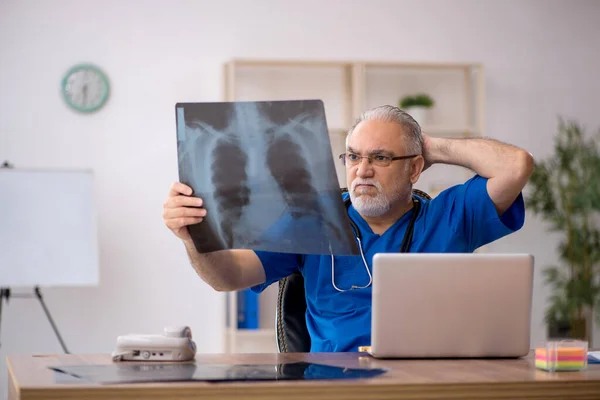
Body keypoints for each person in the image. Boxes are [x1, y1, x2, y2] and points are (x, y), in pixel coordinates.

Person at [163, 105, 534, 353]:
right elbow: (226, 276)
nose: (363, 169)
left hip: (424, 381)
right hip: (332, 386)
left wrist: (432, 146)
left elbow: (516, 166)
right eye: (354, 156)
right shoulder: (309, 219)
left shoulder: (449, 217)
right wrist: (194, 238)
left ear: (416, 168)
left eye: (381, 157)